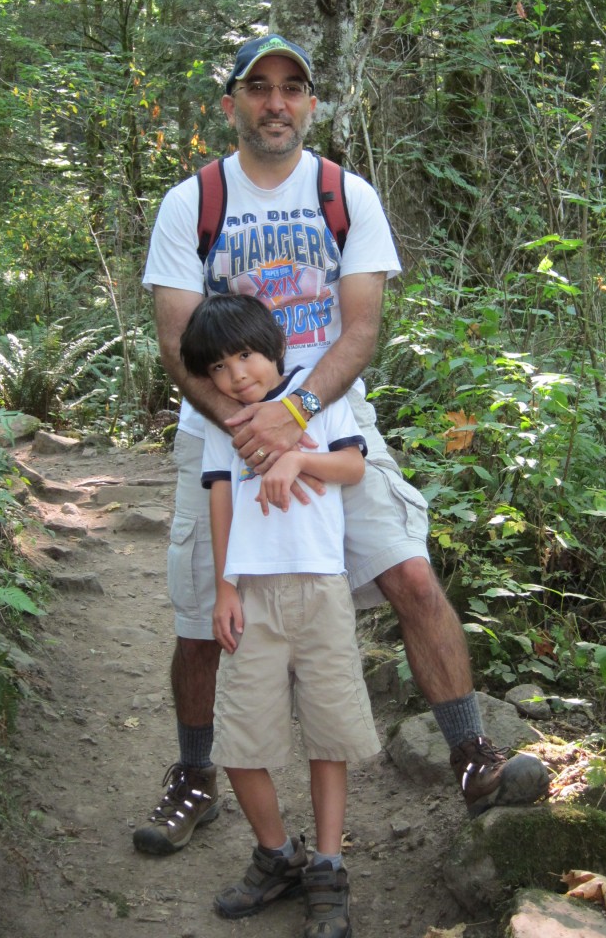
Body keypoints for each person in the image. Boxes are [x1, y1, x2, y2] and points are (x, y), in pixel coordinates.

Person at [136, 33, 549, 857]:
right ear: (233, 105)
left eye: (293, 87)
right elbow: (178, 342)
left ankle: (470, 756)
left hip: (331, 420)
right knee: (200, 616)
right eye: (259, 88)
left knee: (409, 572)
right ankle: (193, 777)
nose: (277, 102)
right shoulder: (193, 203)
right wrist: (245, 428)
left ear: (312, 103)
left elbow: (360, 327)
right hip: (215, 434)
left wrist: (294, 418)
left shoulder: (344, 194)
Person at [177, 292, 379, 933]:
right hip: (252, 596)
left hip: (320, 589)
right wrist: (226, 589)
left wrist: (295, 455)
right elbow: (220, 505)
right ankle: (276, 854)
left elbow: (352, 465)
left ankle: (326, 865)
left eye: (245, 356)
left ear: (274, 349)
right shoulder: (221, 424)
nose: (237, 375)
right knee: (238, 738)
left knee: (328, 734)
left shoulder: (318, 398)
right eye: (219, 368)